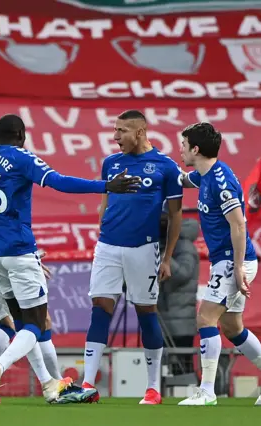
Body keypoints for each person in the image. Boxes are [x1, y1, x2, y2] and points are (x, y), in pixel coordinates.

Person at [0, 114, 140, 403]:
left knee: (21, 324)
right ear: (21, 134)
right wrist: (106, 186)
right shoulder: (22, 159)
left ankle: (51, 386)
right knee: (36, 324)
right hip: (18, 251)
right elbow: (59, 182)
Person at [177, 122, 261, 406]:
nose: (180, 149)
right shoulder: (204, 175)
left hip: (232, 261)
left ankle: (206, 392)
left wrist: (238, 267)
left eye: (183, 144)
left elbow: (239, 225)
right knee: (231, 326)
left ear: (195, 149)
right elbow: (182, 179)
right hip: (229, 261)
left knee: (205, 318)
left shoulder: (220, 180)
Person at [0, 121, 70, 404]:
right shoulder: (4, 172)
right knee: (32, 322)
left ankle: (46, 383)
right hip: (0, 256)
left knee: (11, 324)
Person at [81, 110, 184, 405]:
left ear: (140, 132)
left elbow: (176, 216)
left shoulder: (166, 167)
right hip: (108, 246)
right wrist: (102, 228)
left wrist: (167, 258)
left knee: (145, 311)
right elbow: (104, 202)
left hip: (144, 248)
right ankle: (88, 383)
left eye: (122, 131)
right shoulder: (111, 164)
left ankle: (152, 388)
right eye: (115, 130)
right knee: (100, 306)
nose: (116, 137)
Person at [156, 201, 200, 376]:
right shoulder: (162, 243)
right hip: (162, 317)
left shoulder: (184, 246)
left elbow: (182, 274)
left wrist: (160, 255)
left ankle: (189, 394)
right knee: (162, 366)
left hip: (180, 320)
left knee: (181, 368)